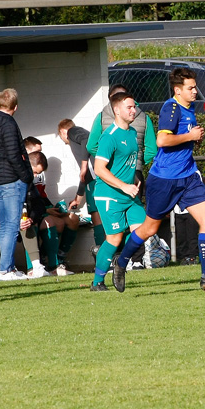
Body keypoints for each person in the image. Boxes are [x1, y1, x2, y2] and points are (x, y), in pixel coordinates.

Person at [111, 68, 205, 291]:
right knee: (149, 229)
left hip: (188, 177)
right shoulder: (172, 107)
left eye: (195, 86)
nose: (195, 91)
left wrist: (191, 140)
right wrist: (190, 136)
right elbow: (161, 141)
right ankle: (121, 262)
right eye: (190, 88)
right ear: (178, 90)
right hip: (165, 180)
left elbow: (179, 139)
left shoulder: (188, 109)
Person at [85, 92, 147, 291]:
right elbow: (100, 169)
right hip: (109, 195)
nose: (133, 110)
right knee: (115, 238)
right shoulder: (109, 137)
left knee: (143, 229)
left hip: (129, 194)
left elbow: (127, 164)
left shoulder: (131, 133)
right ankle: (97, 282)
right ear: (116, 110)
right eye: (129, 107)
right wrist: (123, 186)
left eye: (134, 107)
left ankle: (119, 262)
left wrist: (135, 178)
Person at [0, 88, 40, 280]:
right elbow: (14, 154)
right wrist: (26, 175)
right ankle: (5, 269)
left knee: (7, 224)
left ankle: (8, 267)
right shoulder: (8, 123)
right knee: (10, 225)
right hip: (11, 180)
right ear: (15, 107)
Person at [57, 118, 105, 260]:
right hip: (93, 179)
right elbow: (85, 177)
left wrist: (84, 164)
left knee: (97, 215)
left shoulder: (73, 131)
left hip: (97, 179)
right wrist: (78, 197)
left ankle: (102, 255)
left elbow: (86, 139)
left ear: (62, 132)